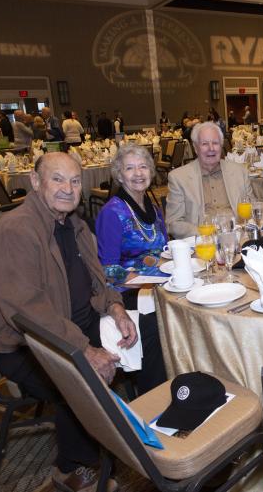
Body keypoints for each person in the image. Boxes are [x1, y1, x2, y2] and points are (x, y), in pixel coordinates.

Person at [0, 152, 156, 491]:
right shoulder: (16, 231)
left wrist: (116, 310)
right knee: (79, 378)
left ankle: (156, 428)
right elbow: (27, 313)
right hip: (24, 341)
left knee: (151, 331)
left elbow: (97, 281)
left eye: (74, 181)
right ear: (35, 181)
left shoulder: (73, 224)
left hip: (76, 322)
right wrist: (85, 351)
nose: (67, 189)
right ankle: (71, 466)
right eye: (57, 179)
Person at [95, 144, 168, 394]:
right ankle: (153, 394)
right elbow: (107, 270)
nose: (138, 173)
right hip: (126, 292)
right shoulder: (112, 213)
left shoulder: (152, 207)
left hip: (157, 285)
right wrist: (143, 280)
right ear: (119, 174)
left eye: (143, 166)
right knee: (159, 326)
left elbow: (164, 250)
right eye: (130, 168)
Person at [166, 121, 253, 238]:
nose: (211, 148)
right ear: (196, 148)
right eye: (205, 144)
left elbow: (253, 209)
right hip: (203, 244)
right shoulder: (179, 178)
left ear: (221, 146)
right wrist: (203, 233)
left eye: (215, 143)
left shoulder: (240, 172)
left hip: (239, 238)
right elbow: (173, 223)